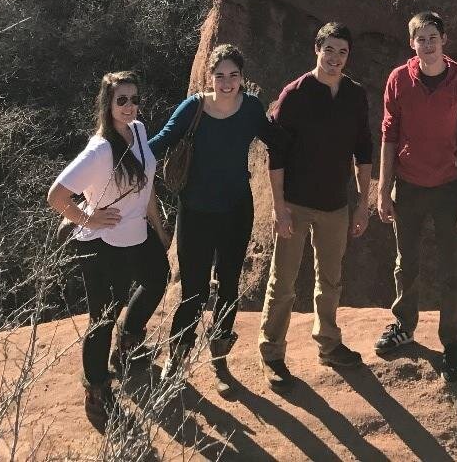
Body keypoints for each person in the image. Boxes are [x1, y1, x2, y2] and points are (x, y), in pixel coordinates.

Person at [147, 44, 285, 391]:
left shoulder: (251, 107)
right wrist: (120, 154)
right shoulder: (194, 108)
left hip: (236, 210)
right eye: (220, 75)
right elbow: (162, 141)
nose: (226, 83)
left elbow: (277, 140)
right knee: (192, 291)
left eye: (233, 75)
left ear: (242, 77)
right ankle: (175, 361)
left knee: (227, 285)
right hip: (195, 212)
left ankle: (218, 360)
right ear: (210, 76)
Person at [48, 70, 171, 428]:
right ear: (108, 104)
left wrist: (159, 229)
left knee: (157, 277)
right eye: (122, 101)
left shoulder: (139, 130)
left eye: (134, 99)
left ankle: (129, 342)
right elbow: (57, 195)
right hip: (102, 244)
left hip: (137, 231)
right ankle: (97, 391)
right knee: (102, 316)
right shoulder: (100, 150)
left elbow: (145, 185)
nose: (130, 106)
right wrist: (88, 219)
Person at [257, 21, 373, 389]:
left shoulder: (355, 95)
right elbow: (275, 155)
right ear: (316, 49)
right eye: (330, 50)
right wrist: (279, 207)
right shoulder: (295, 95)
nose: (335, 58)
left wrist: (362, 203)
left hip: (335, 205)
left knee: (331, 279)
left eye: (342, 52)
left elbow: (363, 149)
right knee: (284, 283)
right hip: (296, 203)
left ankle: (328, 343)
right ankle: (272, 353)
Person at [375, 10, 457, 381]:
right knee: (408, 262)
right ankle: (404, 325)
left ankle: (451, 345)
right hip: (409, 185)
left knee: (453, 269)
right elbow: (388, 135)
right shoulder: (398, 80)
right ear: (412, 44)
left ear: (444, 40)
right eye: (421, 38)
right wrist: (383, 187)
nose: (428, 44)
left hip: (450, 188)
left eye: (433, 37)